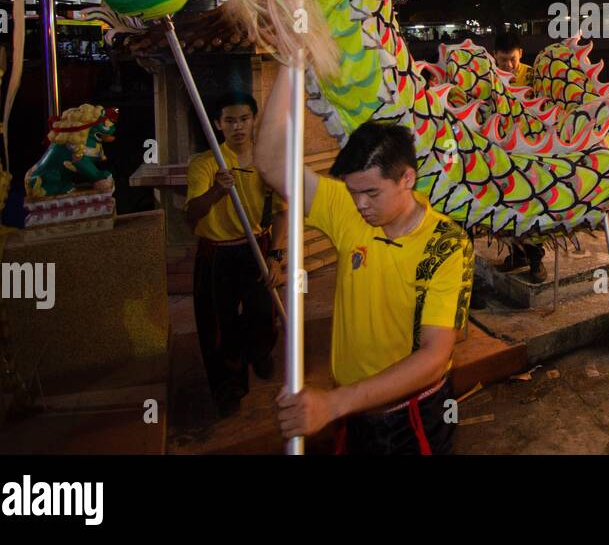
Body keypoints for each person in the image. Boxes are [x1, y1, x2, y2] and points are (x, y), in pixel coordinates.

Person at [257, 69, 474, 455]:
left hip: (412, 416)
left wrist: (333, 403)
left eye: (371, 192)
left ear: (407, 179)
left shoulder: (445, 245)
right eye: (353, 192)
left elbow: (434, 354)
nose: (360, 205)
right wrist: (290, 63)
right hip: (354, 412)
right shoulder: (351, 211)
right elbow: (273, 163)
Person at [186, 91, 282, 418]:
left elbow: (283, 211)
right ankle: (229, 387)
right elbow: (191, 215)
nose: (238, 126)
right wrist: (216, 190)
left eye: (244, 119)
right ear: (217, 123)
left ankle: (259, 350)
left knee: (262, 313)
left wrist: (277, 256)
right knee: (218, 324)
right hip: (217, 254)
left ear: (254, 120)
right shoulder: (205, 163)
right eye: (230, 120)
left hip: (256, 246)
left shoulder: (268, 162)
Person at [491, 30, 547, 283]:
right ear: (494, 57)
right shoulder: (490, 79)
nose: (509, 65)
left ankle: (536, 260)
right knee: (505, 205)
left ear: (521, 54)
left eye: (512, 59)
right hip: (502, 154)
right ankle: (516, 254)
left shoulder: (534, 78)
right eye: (503, 60)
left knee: (530, 205)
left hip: (531, 155)